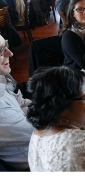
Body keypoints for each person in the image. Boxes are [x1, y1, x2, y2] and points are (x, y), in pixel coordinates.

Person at [0, 35, 34, 171]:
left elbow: (21, 103)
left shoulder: (2, 79)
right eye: (1, 51)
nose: (10, 53)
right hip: (36, 165)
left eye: (5, 46)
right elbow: (41, 131)